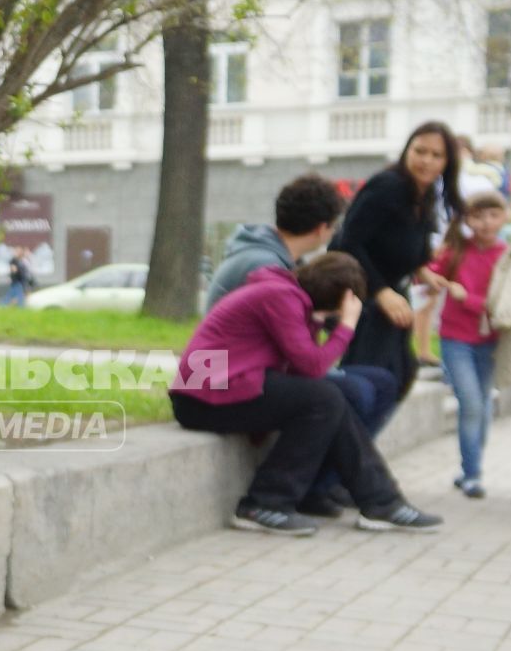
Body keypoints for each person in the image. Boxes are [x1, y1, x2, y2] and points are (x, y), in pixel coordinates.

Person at [171, 253, 443, 537]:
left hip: (224, 387)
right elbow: (312, 366)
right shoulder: (278, 296)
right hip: (200, 396)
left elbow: (304, 369)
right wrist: (346, 326)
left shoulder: (286, 295)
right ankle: (264, 504)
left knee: (329, 396)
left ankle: (380, 501)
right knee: (323, 397)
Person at [205, 173, 400, 511]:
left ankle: (330, 482)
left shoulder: (281, 260)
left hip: (254, 367)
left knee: (379, 383)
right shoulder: (265, 265)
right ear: (324, 228)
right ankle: (315, 488)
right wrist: (344, 326)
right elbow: (304, 360)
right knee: (347, 393)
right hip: (231, 375)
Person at [330, 122, 464, 401]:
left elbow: (398, 241)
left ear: (447, 162)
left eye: (436, 155)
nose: (426, 161)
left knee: (400, 375)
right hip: (363, 295)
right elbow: (348, 242)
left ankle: (357, 441)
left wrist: (422, 271)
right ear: (407, 151)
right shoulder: (388, 186)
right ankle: (347, 441)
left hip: (391, 293)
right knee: (366, 381)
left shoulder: (424, 193)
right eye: (420, 151)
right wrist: (382, 294)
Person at [426, 191, 511, 498]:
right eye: (478, 216)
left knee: (483, 405)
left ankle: (469, 469)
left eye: (493, 215)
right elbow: (430, 275)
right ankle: (473, 473)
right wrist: (432, 276)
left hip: (489, 340)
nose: (486, 223)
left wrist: (469, 299)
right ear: (467, 220)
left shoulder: (507, 255)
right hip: (455, 339)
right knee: (472, 403)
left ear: (504, 217)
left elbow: (505, 303)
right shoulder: (456, 251)